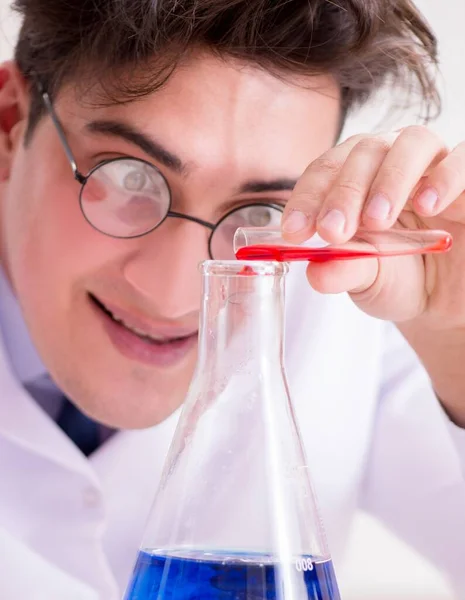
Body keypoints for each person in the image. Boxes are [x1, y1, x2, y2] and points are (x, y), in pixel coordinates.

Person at [1, 0, 465, 597]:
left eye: (260, 209)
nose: (172, 294)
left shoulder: (342, 292)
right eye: (128, 177)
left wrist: (456, 337)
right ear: (10, 120)